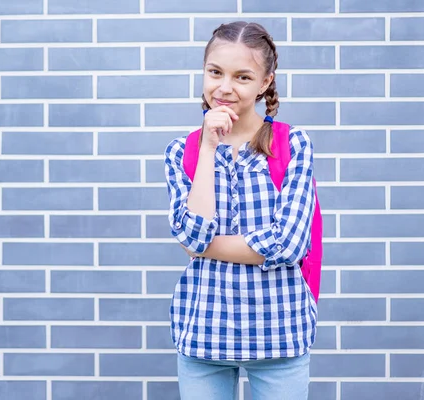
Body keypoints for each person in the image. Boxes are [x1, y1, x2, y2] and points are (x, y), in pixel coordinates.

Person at [163, 21, 317, 400]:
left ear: (265, 83)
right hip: (204, 332)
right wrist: (209, 149)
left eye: (242, 76)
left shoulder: (292, 144)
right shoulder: (182, 152)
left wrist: (203, 248)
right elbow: (193, 234)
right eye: (215, 72)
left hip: (278, 331)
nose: (225, 87)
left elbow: (290, 243)